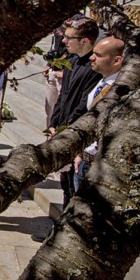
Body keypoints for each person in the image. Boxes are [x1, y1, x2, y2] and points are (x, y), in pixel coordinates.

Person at [48, 17, 102, 208]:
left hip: (77, 132)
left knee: (74, 185)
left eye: (69, 38)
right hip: (64, 127)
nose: (64, 41)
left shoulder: (94, 68)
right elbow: (63, 96)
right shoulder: (72, 61)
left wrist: (68, 129)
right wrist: (54, 123)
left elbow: (83, 104)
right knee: (65, 183)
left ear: (85, 41)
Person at [73, 36, 124, 192]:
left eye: (99, 55)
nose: (91, 58)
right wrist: (80, 154)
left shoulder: (121, 90)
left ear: (117, 61)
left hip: (101, 169)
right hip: (84, 162)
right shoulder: (102, 81)